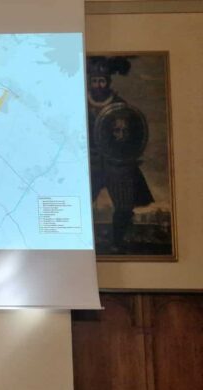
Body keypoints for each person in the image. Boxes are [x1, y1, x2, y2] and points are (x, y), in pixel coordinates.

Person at [87, 56, 154, 252]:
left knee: (124, 205)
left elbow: (130, 134)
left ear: (108, 82)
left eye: (102, 81)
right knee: (79, 202)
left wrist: (126, 154)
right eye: (94, 81)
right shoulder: (80, 104)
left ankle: (117, 242)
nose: (98, 85)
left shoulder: (119, 106)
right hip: (89, 163)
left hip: (115, 163)